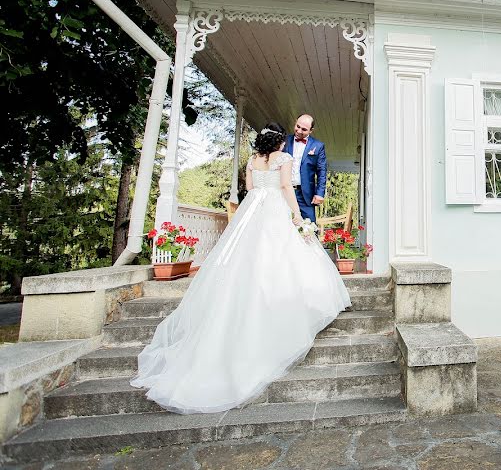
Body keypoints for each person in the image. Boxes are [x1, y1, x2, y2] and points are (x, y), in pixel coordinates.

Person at [131, 123, 351, 414]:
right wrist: (297, 217)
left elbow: (249, 188)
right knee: (281, 254)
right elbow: (286, 187)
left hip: (252, 209)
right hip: (274, 208)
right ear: (278, 144)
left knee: (244, 256)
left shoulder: (252, 160)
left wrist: (261, 189)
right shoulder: (283, 159)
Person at [283, 114, 327, 222]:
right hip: (283, 192)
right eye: (297, 126)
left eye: (304, 129)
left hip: (305, 195)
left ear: (311, 131)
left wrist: (320, 193)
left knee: (309, 229)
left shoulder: (318, 146)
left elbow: (322, 171)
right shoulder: (284, 141)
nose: (299, 131)